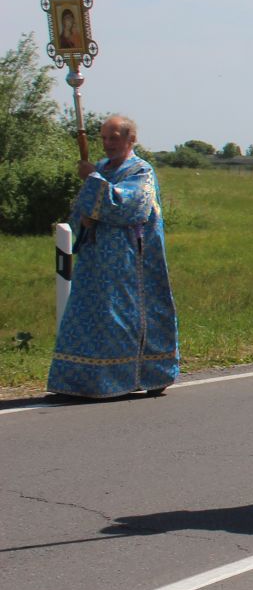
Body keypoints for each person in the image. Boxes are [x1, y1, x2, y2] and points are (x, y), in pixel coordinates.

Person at [47, 114, 179, 399]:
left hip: (129, 262)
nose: (107, 144)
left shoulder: (140, 171)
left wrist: (92, 180)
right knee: (85, 314)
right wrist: (84, 219)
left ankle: (126, 377)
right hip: (95, 257)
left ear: (130, 139)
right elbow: (85, 205)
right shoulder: (102, 167)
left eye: (114, 138)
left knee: (119, 317)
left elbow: (129, 207)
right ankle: (78, 381)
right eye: (104, 138)